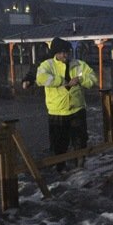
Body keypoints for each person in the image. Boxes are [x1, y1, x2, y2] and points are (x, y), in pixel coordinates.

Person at [35, 37, 98, 172]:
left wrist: (81, 79)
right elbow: (41, 78)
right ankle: (61, 169)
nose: (65, 55)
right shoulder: (47, 65)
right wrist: (62, 81)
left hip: (77, 110)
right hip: (57, 112)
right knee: (59, 145)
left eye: (67, 52)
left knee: (80, 141)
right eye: (62, 52)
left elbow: (93, 79)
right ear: (56, 53)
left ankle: (80, 169)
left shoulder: (79, 65)